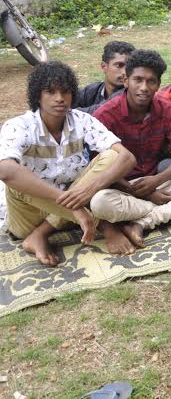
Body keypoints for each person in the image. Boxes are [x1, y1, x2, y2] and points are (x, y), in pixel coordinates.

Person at [0, 62, 137, 265]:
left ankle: (40, 234)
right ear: (38, 95)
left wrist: (88, 191)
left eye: (65, 92)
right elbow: (6, 171)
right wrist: (74, 206)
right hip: (28, 215)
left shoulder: (82, 120)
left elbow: (127, 158)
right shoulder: (19, 126)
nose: (59, 98)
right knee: (15, 177)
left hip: (72, 205)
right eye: (51, 92)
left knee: (111, 156)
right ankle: (105, 227)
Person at [91, 49, 171, 248]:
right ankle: (169, 213)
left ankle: (140, 222)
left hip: (157, 182)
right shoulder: (105, 115)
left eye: (151, 81)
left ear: (158, 84)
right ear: (126, 81)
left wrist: (157, 181)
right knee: (99, 203)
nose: (144, 87)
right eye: (138, 80)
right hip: (119, 187)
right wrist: (143, 193)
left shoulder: (166, 109)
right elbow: (98, 168)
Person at [75, 41, 135, 114]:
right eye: (119, 65)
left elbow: (101, 111)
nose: (124, 72)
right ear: (104, 66)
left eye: (129, 66)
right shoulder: (92, 90)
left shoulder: (131, 95)